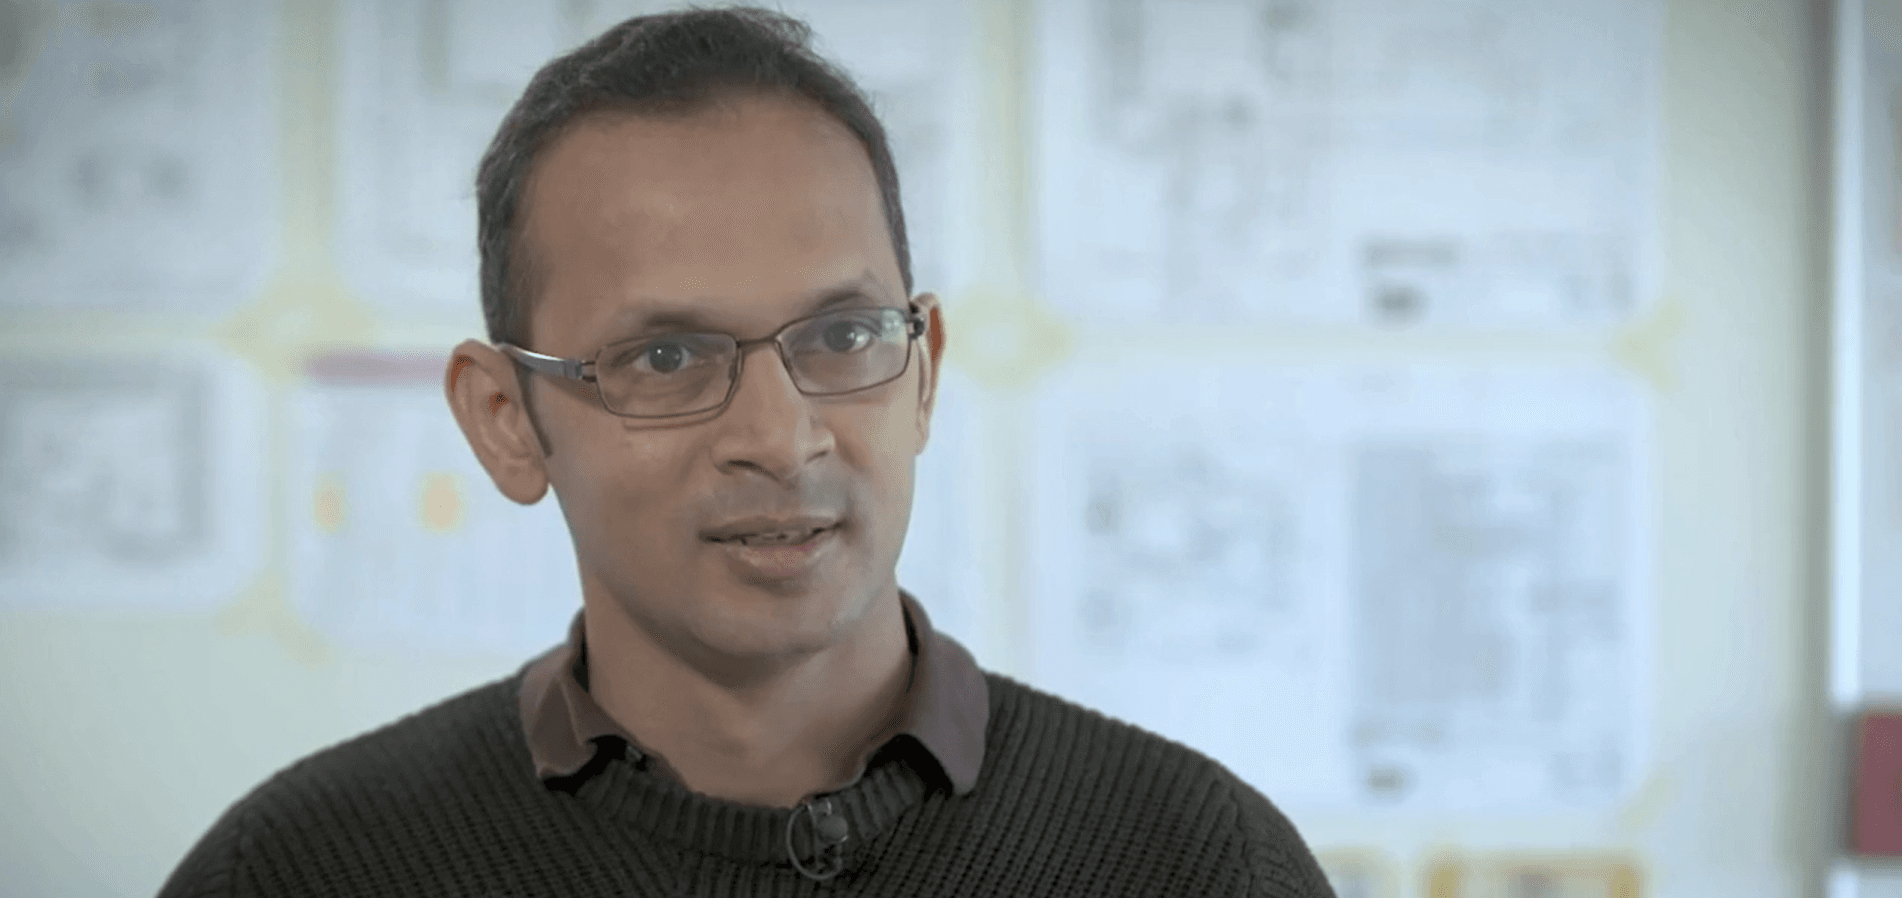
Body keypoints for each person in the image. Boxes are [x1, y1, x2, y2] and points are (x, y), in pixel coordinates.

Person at [157, 6, 1336, 896]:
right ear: (506, 419)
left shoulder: (1202, 862)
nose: (781, 437)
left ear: (924, 370)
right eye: (667, 357)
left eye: (843, 336)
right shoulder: (297, 869)